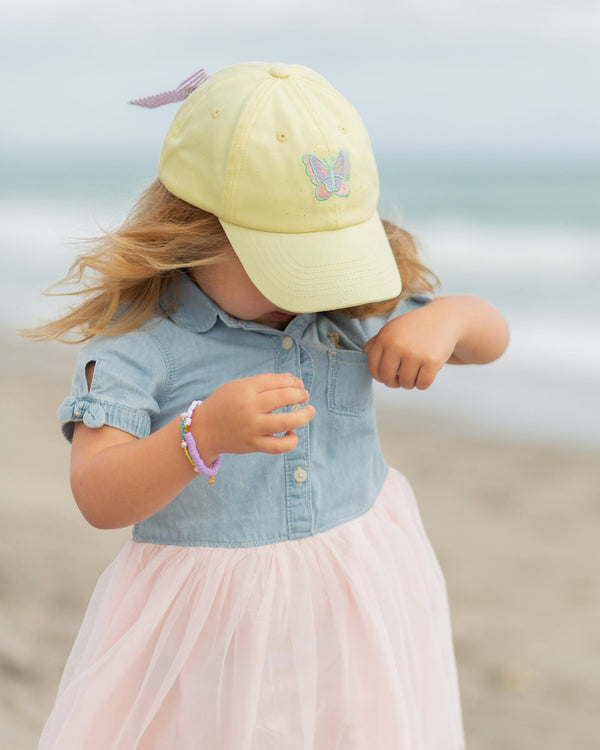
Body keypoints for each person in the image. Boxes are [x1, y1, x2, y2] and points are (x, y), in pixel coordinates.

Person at [30, 62, 509, 749]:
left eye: (329, 257)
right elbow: (97, 496)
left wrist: (450, 320)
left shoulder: (342, 306)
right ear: (193, 232)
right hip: (207, 637)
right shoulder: (144, 345)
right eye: (288, 261)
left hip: (355, 606)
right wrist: (202, 434)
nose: (309, 288)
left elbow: (492, 339)